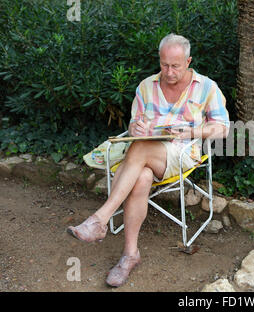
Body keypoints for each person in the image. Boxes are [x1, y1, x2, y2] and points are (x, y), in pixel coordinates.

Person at [67, 33, 230, 287]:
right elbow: (134, 124)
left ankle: (100, 219)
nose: (169, 71)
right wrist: (136, 130)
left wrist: (192, 132)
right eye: (164, 64)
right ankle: (130, 255)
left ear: (188, 61)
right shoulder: (146, 86)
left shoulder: (207, 87)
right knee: (141, 175)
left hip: (183, 152)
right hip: (144, 155)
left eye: (175, 66)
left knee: (140, 150)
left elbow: (222, 129)